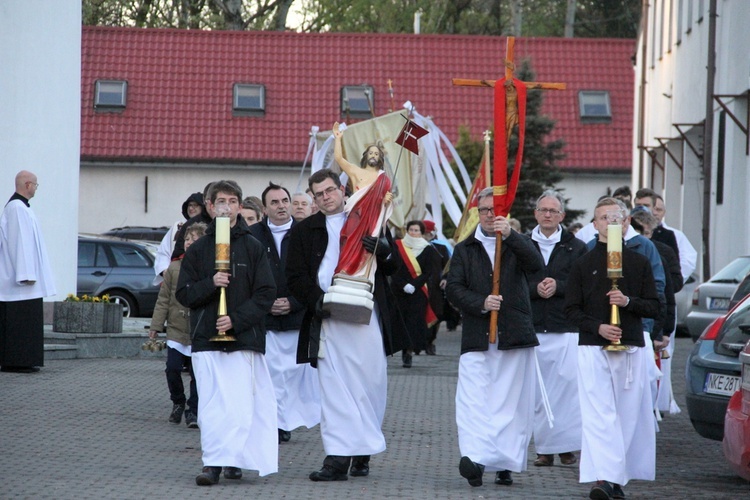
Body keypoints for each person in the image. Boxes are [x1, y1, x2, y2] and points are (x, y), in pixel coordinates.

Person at [286, 168, 408, 482]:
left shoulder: (371, 219)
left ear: (342, 189)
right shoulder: (303, 232)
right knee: (335, 389)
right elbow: (295, 277)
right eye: (319, 194)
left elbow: (394, 268)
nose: (326, 197)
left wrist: (384, 251)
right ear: (313, 199)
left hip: (366, 316)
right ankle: (337, 459)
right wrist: (319, 301)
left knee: (370, 385)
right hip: (327, 319)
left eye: (330, 190)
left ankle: (362, 449)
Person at [176, 180, 277, 486]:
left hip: (243, 339)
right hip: (207, 338)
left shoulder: (253, 246)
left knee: (239, 406)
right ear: (210, 206)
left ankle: (233, 459)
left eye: (232, 201)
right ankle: (212, 464)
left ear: (239, 206)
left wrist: (236, 320)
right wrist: (211, 283)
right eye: (220, 201)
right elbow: (184, 293)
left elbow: (265, 293)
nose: (227, 206)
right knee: (211, 406)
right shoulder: (198, 250)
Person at [445, 187, 543, 488]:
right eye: (484, 210)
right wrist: (481, 303)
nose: (489, 215)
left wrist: (512, 236)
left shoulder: (516, 243)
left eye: (494, 209)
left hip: (513, 334)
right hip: (477, 336)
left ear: (504, 212)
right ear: (477, 211)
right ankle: (474, 458)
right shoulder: (464, 248)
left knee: (508, 403)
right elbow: (453, 289)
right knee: (473, 400)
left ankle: (504, 463)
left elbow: (536, 266)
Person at [565, 197, 660, 500]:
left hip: (630, 346)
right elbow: (571, 309)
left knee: (626, 416)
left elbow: (655, 306)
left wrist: (628, 302)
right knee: (598, 415)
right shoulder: (582, 263)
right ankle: (603, 479)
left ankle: (615, 480)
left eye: (614, 217)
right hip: (593, 347)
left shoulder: (639, 262)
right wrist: (598, 327)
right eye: (603, 218)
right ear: (595, 224)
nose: (609, 223)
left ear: (626, 222)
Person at [249, 182, 320, 444]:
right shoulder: (252, 235)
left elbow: (314, 275)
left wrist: (294, 301)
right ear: (265, 208)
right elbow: (247, 276)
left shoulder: (306, 233)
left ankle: (290, 418)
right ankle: (276, 423)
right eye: (275, 202)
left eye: (284, 201)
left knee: (294, 375)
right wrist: (266, 303)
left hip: (297, 317)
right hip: (265, 320)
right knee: (269, 376)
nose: (281, 206)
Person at [527, 190, 587, 467]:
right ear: (536, 214)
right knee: (539, 392)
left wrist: (559, 286)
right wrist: (535, 289)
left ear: (562, 216)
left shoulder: (576, 247)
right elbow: (512, 284)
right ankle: (544, 449)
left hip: (566, 327)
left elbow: (585, 285)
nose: (548, 215)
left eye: (553, 211)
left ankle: (566, 447)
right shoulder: (524, 245)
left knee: (566, 391)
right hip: (535, 326)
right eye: (543, 210)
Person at [148, 222, 207, 428]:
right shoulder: (173, 268)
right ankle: (178, 402)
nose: (190, 243)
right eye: (187, 239)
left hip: (198, 329)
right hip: (175, 328)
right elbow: (164, 299)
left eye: (195, 239)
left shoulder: (207, 267)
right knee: (172, 368)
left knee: (196, 373)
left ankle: (194, 410)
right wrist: (155, 326)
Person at [0, 171, 56, 373]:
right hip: (20, 284)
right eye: (36, 185)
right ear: (27, 185)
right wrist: (26, 275)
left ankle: (25, 360)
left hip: (25, 283)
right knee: (19, 324)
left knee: (26, 323)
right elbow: (19, 243)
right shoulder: (16, 208)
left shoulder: (22, 208)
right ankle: (17, 361)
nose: (36, 189)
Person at [630, 207, 683, 415]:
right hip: (635, 320)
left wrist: (665, 330)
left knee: (649, 378)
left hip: (652, 321)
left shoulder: (661, 253)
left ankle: (650, 412)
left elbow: (667, 293)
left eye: (646, 232)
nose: (643, 237)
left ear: (651, 232)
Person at [331, 122, 393, 280]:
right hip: (356, 215)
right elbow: (339, 159)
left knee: (367, 245)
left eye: (377, 154)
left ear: (380, 158)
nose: (373, 155)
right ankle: (345, 270)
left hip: (371, 221)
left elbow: (384, 204)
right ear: (366, 155)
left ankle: (361, 273)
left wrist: (386, 199)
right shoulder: (356, 171)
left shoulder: (383, 179)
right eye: (371, 153)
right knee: (349, 242)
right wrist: (337, 139)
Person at [391, 220, 439, 367]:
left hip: (417, 293)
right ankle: (399, 348)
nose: (413, 233)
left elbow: (428, 272)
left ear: (422, 232)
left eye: (416, 230)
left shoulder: (428, 249)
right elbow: (393, 268)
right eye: (411, 230)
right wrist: (403, 284)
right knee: (400, 322)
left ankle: (409, 352)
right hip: (399, 291)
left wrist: (413, 285)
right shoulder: (398, 245)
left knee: (413, 323)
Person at [154, 192, 204, 283]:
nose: (191, 208)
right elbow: (164, 251)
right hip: (175, 275)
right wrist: (164, 270)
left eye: (195, 205)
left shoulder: (209, 226)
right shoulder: (178, 226)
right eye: (189, 205)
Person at [652, 194, 697, 281]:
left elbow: (688, 260)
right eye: (653, 209)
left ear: (664, 213)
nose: (655, 213)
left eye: (659, 210)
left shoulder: (676, 235)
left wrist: (673, 280)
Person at [634, 188, 680, 264]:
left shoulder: (667, 235)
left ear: (653, 207)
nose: (641, 209)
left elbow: (674, 266)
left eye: (646, 205)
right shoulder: (625, 230)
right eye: (638, 205)